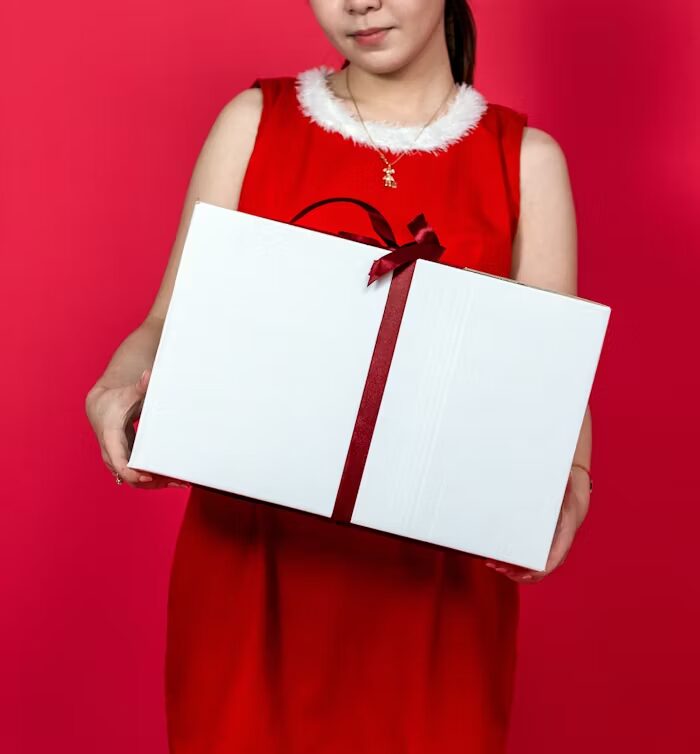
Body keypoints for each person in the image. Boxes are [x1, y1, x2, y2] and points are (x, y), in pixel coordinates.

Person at [85, 0, 593, 751]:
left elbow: (552, 384)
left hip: (435, 607)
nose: (359, 3)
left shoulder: (525, 161)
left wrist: (571, 485)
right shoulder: (254, 122)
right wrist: (115, 388)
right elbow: (166, 323)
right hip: (250, 580)